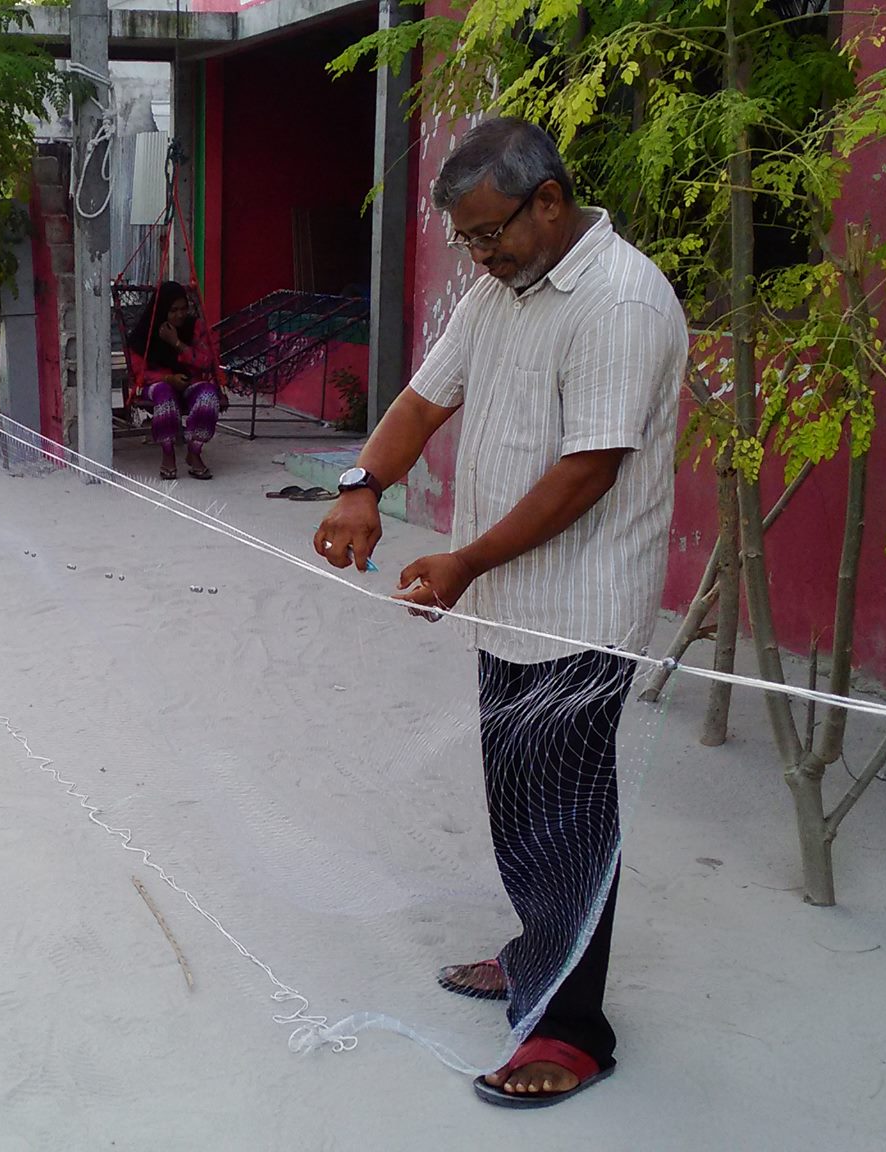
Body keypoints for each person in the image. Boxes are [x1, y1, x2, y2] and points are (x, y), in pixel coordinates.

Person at [313, 118, 685, 1109]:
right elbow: (424, 400)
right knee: (516, 798)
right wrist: (362, 484)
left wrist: (467, 557)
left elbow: (587, 470)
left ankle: (573, 1035)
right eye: (467, 240)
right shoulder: (497, 293)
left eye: (490, 234)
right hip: (503, 601)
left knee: (565, 816)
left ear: (550, 200)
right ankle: (534, 953)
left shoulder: (618, 303)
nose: (477, 255)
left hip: (577, 610)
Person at [128, 280, 226, 480]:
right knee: (164, 393)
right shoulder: (144, 333)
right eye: (173, 310)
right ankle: (168, 453)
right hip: (156, 385)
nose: (180, 315)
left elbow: (207, 362)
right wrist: (167, 378)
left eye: (183, 309)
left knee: (208, 395)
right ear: (163, 309)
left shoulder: (194, 327)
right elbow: (139, 373)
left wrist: (178, 344)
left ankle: (194, 451)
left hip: (190, 383)